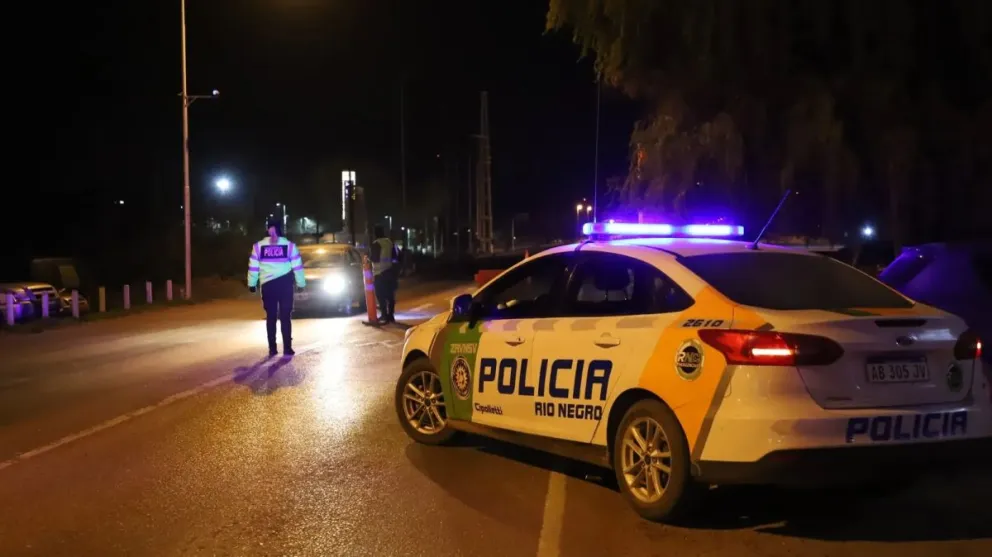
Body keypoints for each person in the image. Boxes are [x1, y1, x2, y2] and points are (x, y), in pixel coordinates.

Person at [247, 217, 305, 356]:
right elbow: (297, 267)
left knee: (271, 317)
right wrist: (301, 283)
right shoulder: (289, 245)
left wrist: (252, 284)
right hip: (285, 285)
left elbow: (253, 267)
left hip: (268, 286)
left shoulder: (258, 246)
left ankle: (272, 348)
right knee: (285, 316)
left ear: (267, 229)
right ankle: (287, 348)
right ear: (280, 229)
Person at [370, 225, 398, 322]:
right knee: (390, 295)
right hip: (389, 271)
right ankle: (391, 315)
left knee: (380, 295)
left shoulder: (376, 243)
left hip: (379, 273)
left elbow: (374, 258)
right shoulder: (389, 242)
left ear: (375, 234)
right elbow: (395, 257)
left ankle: (384, 315)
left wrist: (368, 259)